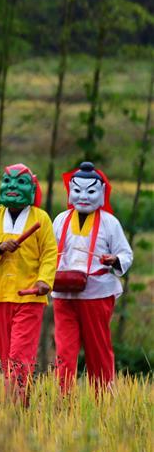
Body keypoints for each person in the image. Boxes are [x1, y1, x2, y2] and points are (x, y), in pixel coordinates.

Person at [0, 163, 57, 404]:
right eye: (8, 181)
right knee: (5, 356)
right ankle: (20, 402)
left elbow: (50, 254)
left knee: (20, 354)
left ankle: (15, 403)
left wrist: (44, 280)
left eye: (20, 182)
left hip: (29, 296)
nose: (12, 187)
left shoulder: (40, 218)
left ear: (31, 187)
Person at [52, 162, 133, 393]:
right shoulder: (60, 220)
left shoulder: (110, 222)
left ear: (102, 192)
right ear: (69, 191)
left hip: (96, 292)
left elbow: (125, 253)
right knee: (64, 351)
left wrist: (114, 260)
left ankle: (104, 400)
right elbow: (48, 253)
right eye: (77, 191)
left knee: (98, 349)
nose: (83, 197)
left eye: (90, 191)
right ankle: (62, 399)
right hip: (63, 292)